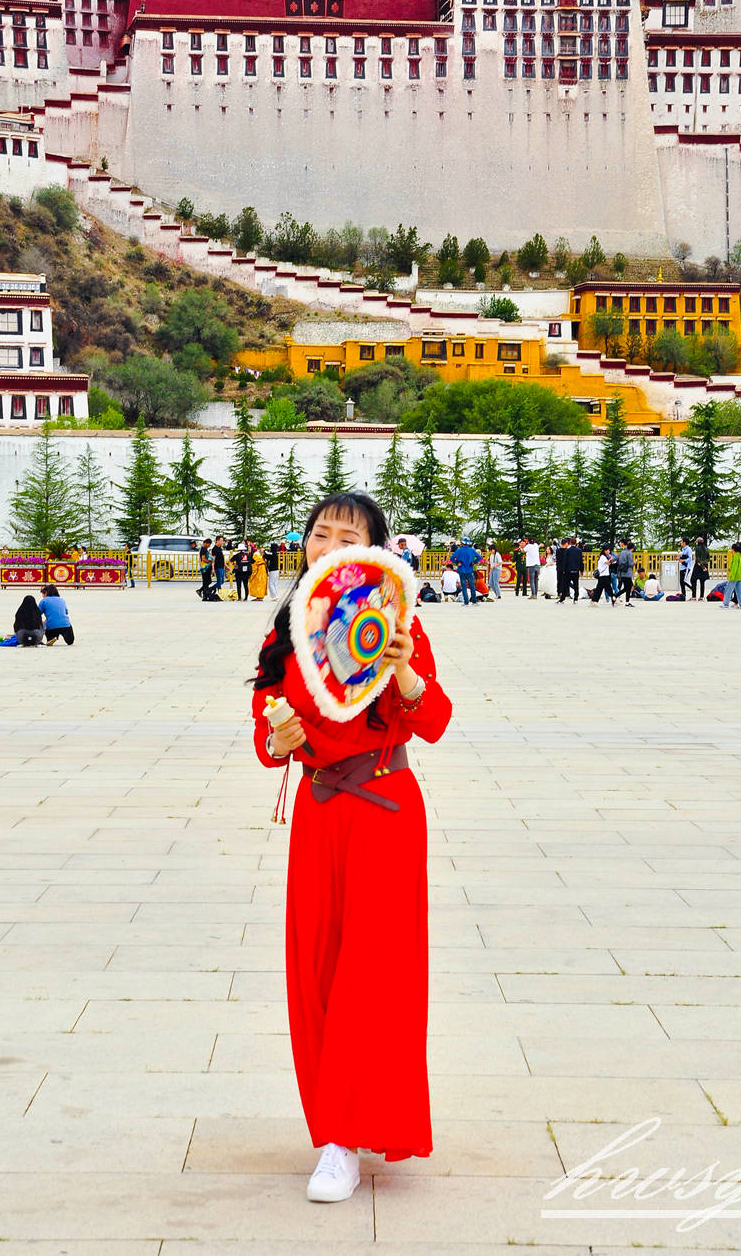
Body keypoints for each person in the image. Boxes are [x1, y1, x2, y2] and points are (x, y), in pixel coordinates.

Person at [252, 491, 452, 1202]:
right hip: (319, 813)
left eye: (348, 536)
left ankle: (349, 1137)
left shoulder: (398, 623)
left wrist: (404, 672)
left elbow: (434, 721)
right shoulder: (287, 635)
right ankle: (333, 1126)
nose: (330, 546)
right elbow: (266, 734)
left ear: (374, 551)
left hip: (386, 813)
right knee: (318, 971)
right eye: (320, 533)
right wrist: (277, 735)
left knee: (375, 976)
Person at [450, 536, 482, 606]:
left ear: (462, 543)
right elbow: (479, 557)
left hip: (461, 570)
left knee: (464, 587)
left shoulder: (459, 550)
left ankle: (466, 602)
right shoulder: (472, 550)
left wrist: (457, 562)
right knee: (472, 586)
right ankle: (474, 601)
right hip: (470, 569)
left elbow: (452, 558)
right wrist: (474, 562)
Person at [722, 542, 741, 610]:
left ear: (733, 549)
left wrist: (732, 576)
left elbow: (734, 568)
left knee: (728, 590)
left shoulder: (735, 556)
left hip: (735, 576)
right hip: (740, 576)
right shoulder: (740, 555)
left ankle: (725, 604)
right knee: (739, 590)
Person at [614, 538, 635, 607]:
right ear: (632, 548)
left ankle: (616, 597)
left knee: (626, 588)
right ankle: (626, 602)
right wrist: (634, 562)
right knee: (628, 587)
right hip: (627, 572)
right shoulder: (629, 553)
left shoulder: (622, 552)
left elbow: (616, 558)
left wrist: (610, 561)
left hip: (621, 572)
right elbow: (630, 564)